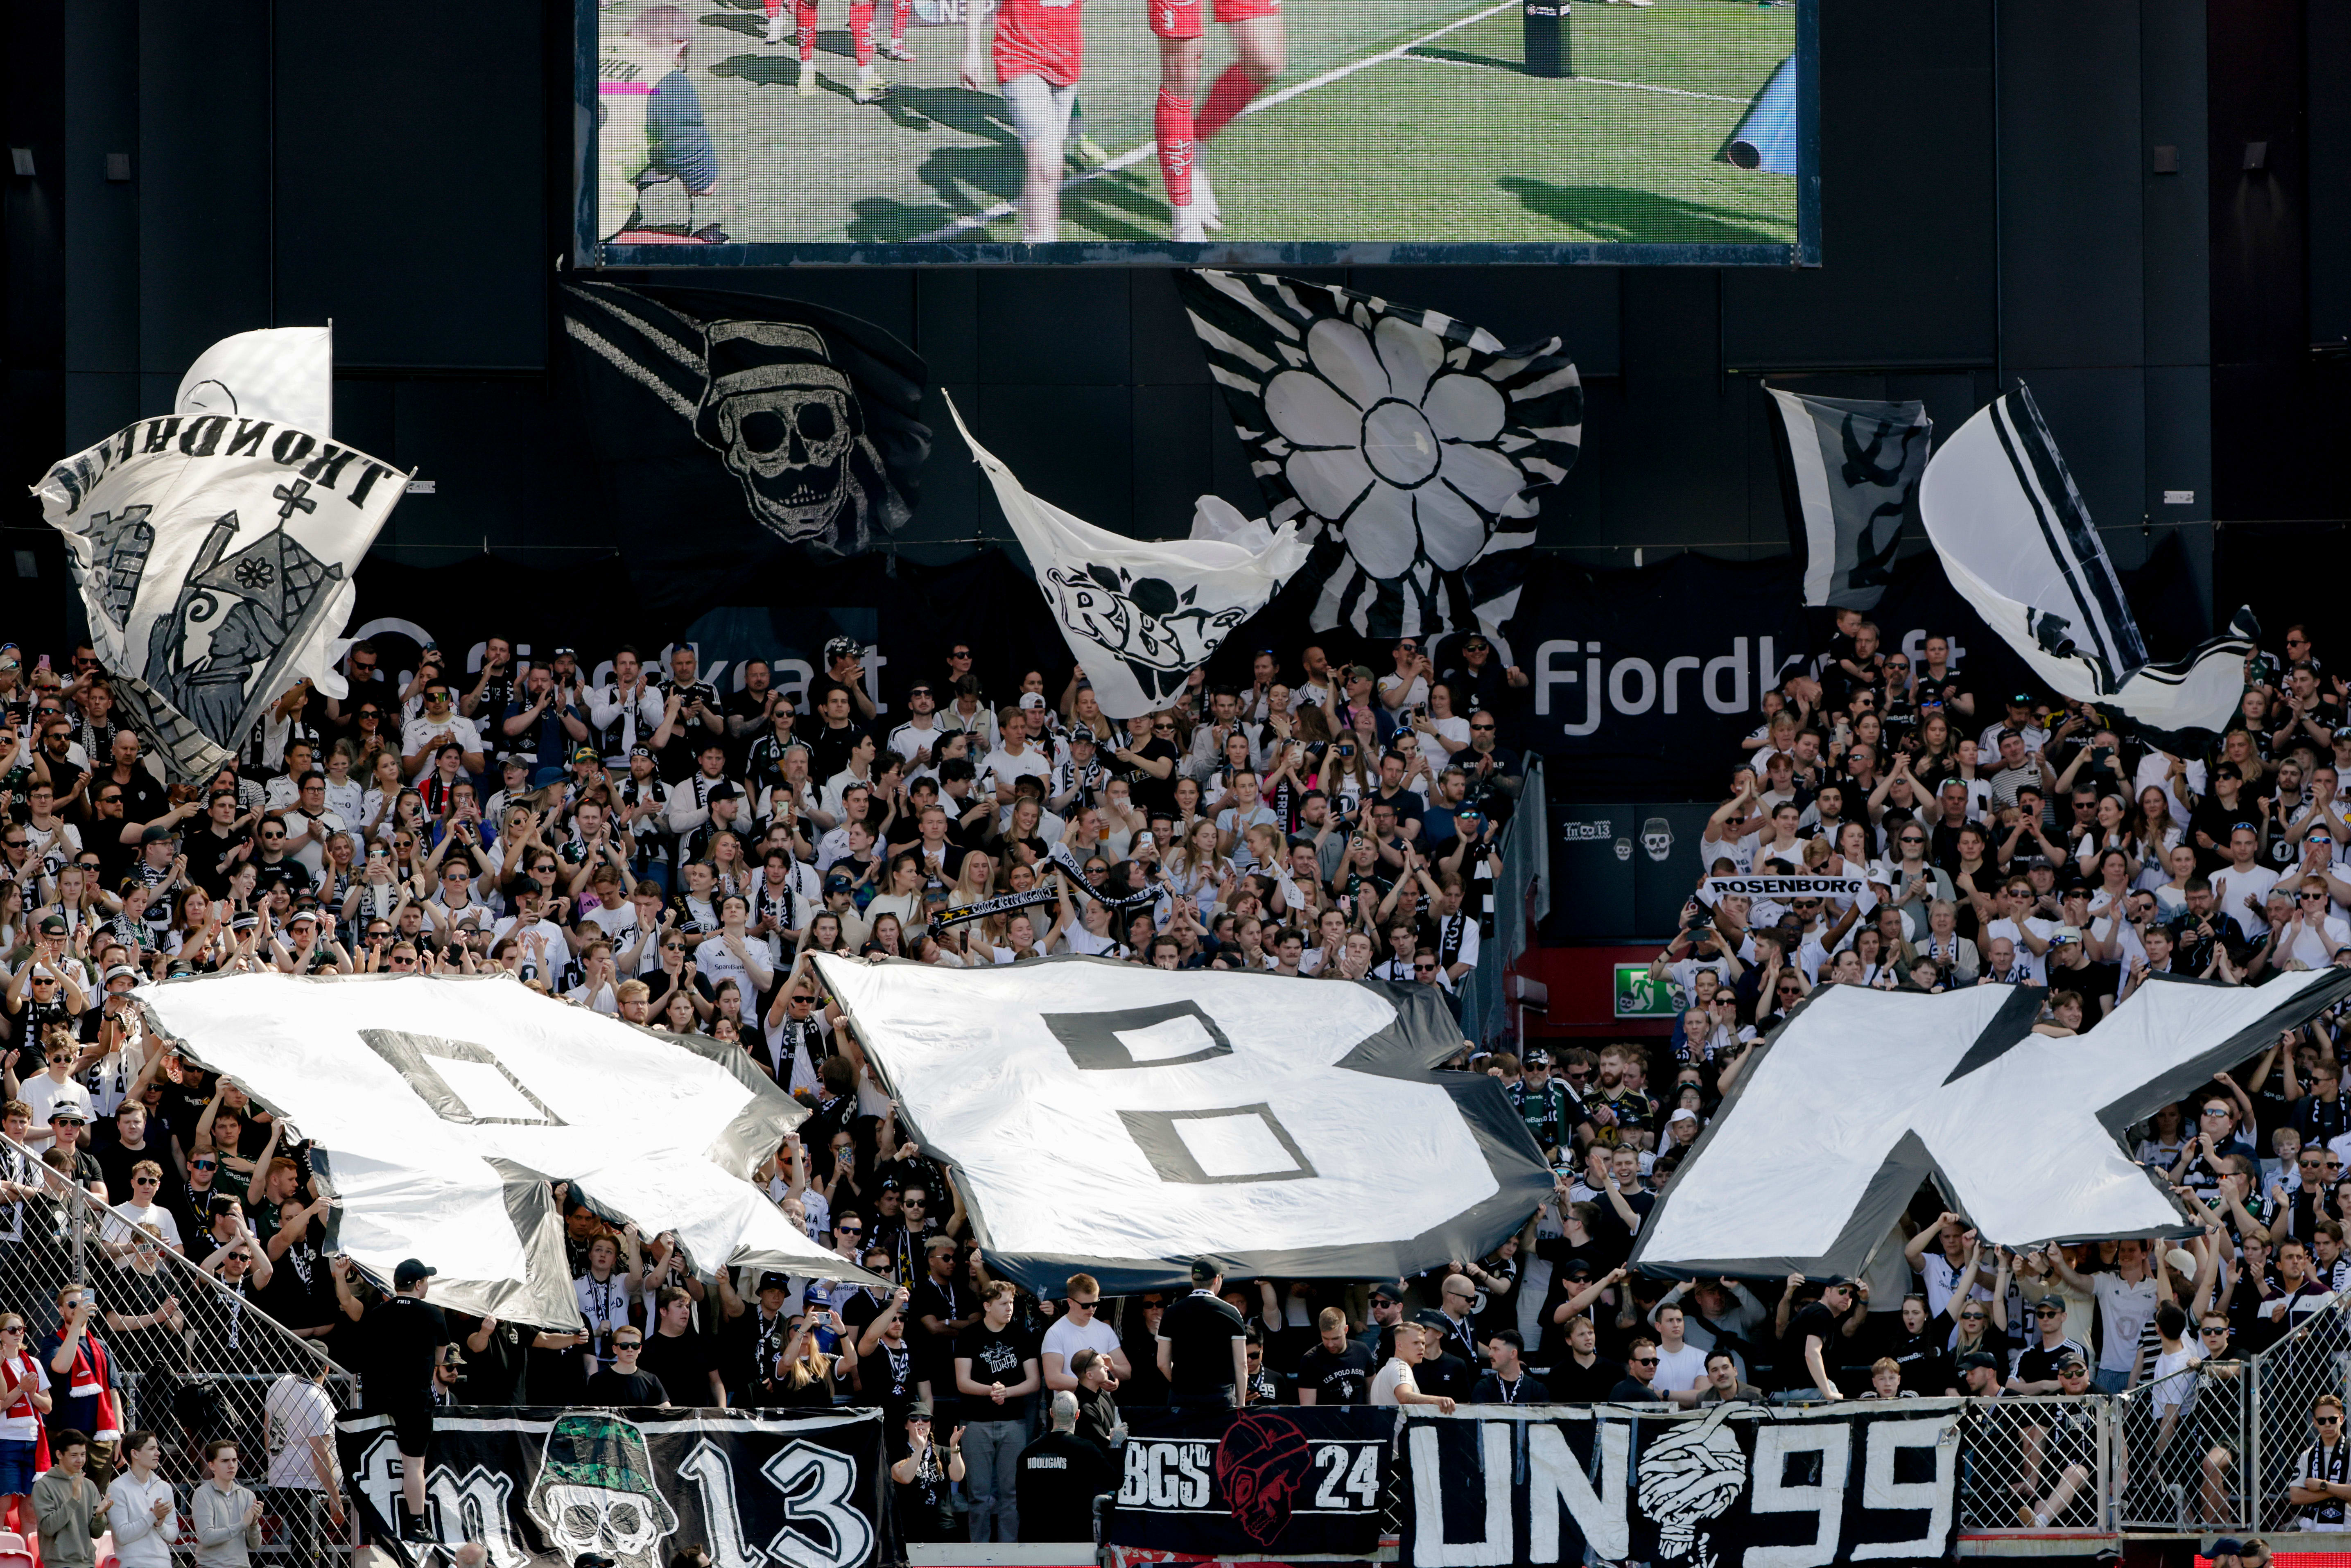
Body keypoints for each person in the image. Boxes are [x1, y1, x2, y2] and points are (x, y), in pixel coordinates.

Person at [334, 1256, 448, 1543]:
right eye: (426, 1281)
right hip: (415, 1401)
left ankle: (375, 1526)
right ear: (419, 1284)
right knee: (413, 1466)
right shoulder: (434, 1314)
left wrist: (340, 1276)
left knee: (377, 1462)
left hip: (378, 1399)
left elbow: (349, 1307)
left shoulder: (377, 1313)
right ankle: (416, 1525)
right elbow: (440, 1358)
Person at [958, 0, 1085, 242]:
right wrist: (972, 49)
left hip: (1066, 59)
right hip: (1019, 56)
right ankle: (1041, 248)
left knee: (1051, 164)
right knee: (1046, 161)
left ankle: (1035, 237)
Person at [955, 1280, 1038, 1543]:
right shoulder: (969, 1335)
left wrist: (1006, 1393)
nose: (1009, 1308)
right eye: (1003, 1303)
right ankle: (979, 1551)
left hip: (1013, 1422)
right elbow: (962, 1382)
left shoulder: (1022, 1335)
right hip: (975, 1422)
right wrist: (992, 1391)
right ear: (987, 1306)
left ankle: (1008, 1551)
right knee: (978, 1494)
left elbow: (1034, 1381)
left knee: (1011, 1493)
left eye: (1012, 1303)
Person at [260, 1363, 343, 1568]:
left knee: (306, 1547)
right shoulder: (317, 1398)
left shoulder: (280, 1384)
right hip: (308, 1485)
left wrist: (274, 1462)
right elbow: (320, 1452)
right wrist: (335, 1498)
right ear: (327, 1368)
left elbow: (267, 1428)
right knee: (311, 1550)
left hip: (282, 1479)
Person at [1015, 1390, 1115, 1545]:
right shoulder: (1087, 1450)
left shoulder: (1027, 1453)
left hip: (1034, 1540)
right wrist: (1116, 1445)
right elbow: (1114, 1482)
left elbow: (1021, 1504)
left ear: (1051, 1413)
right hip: (1075, 1540)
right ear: (1078, 1415)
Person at [1156, 1258, 1249, 1411]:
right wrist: (1241, 1404)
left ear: (1193, 1279)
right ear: (1217, 1279)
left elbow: (1162, 1363)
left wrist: (1182, 1384)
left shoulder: (1171, 1312)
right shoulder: (1232, 1312)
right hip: (1220, 1399)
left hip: (1182, 1399)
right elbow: (1242, 1364)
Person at [29, 1429, 109, 1568]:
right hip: (58, 1564)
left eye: (83, 1454)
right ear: (59, 1454)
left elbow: (96, 1534)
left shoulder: (89, 1485)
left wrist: (100, 1516)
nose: (80, 1460)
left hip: (88, 1563)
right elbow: (48, 1527)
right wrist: (74, 1499)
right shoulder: (44, 1486)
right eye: (74, 1455)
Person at [889, 1402, 963, 1545]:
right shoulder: (896, 1452)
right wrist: (920, 1448)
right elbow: (905, 1478)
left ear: (931, 1425)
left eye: (925, 1419)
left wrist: (955, 1448)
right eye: (914, 1419)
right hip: (910, 1528)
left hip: (943, 1527)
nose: (920, 1422)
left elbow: (958, 1476)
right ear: (906, 1425)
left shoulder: (944, 1452)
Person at [106, 1430, 178, 1568]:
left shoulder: (164, 1487)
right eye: (152, 1449)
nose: (158, 1453)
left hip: (164, 1564)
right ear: (135, 1454)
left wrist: (160, 1525)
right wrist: (153, 1516)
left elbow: (173, 1536)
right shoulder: (117, 1488)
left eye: (157, 1448)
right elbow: (122, 1536)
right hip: (133, 1564)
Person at [189, 1440, 262, 1568]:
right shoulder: (202, 1494)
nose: (231, 1465)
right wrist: (242, 1525)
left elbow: (255, 1545)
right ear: (212, 1466)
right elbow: (206, 1537)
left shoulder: (248, 1495)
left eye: (234, 1460)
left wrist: (254, 1524)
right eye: (225, 1461)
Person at [2290, 1394, 2351, 1531]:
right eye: (2322, 1421)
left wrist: (2323, 1485)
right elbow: (2296, 1497)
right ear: (2315, 1422)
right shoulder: (2308, 1455)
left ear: (2341, 1419)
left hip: (2347, 1529)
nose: (2328, 1424)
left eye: (2333, 1420)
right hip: (2312, 1529)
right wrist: (2340, 1491)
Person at [1296, 1307, 1376, 1405]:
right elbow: (1308, 1406)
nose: (1330, 1345)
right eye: (1325, 1338)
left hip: (1359, 1414)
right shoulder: (1310, 1360)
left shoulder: (1362, 1351)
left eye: (1335, 1339)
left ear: (1346, 1330)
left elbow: (1371, 1393)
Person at [1369, 1322, 1454, 1412]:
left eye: (1423, 1343)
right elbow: (1404, 1397)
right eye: (1415, 1343)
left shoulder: (1384, 1371)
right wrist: (1436, 1400)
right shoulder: (1401, 1367)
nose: (1422, 1348)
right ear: (1400, 1346)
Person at [585, 1329, 670, 1406]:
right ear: (615, 1349)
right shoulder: (598, 1380)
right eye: (624, 1345)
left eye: (635, 1345)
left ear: (640, 1349)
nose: (630, 1349)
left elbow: (667, 1410)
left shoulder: (651, 1380)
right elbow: (591, 1414)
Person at [1471, 1330, 1548, 1405]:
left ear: (1513, 1354)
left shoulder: (1537, 1390)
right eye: (1491, 1349)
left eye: (1496, 1349)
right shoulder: (1483, 1388)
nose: (1490, 1354)